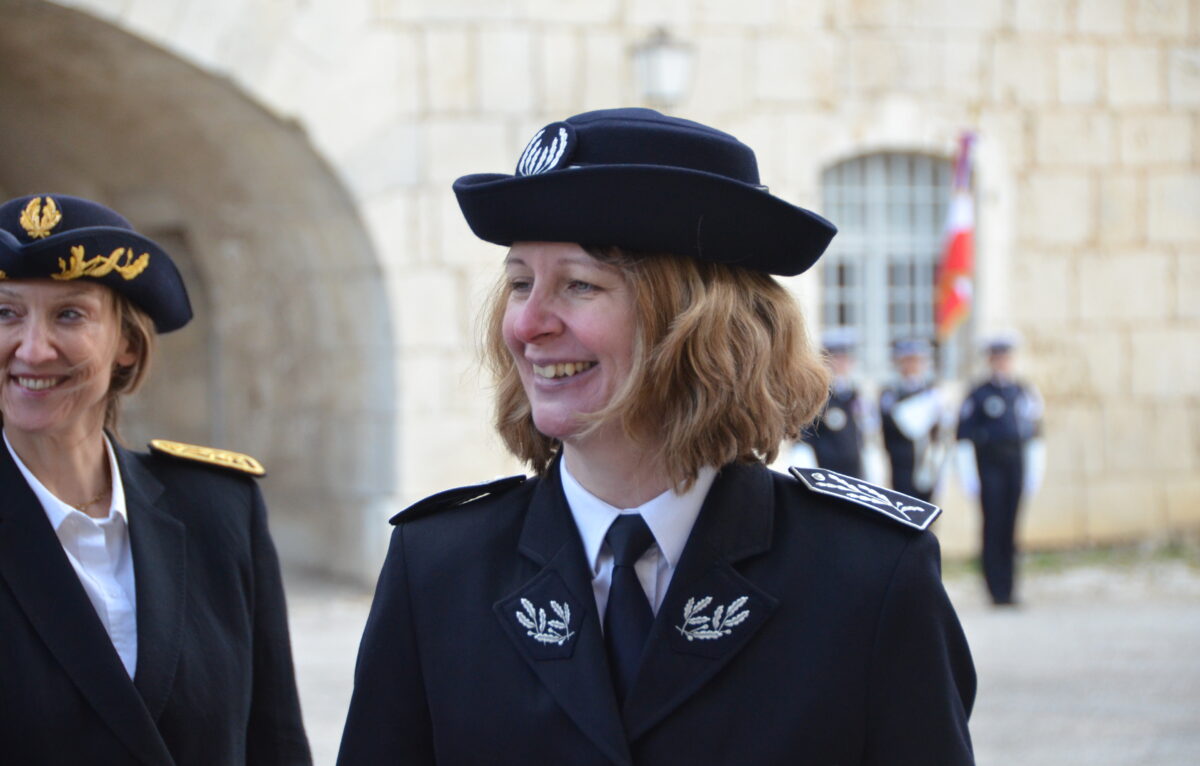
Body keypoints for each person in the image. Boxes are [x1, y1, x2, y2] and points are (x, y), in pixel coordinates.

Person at [338, 108, 975, 765]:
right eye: (520, 283)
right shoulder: (438, 570)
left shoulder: (865, 576)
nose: (526, 324)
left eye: (579, 285)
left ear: (701, 323)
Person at [0, 193, 311, 765]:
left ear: (126, 343)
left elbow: (276, 742)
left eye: (69, 314)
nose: (33, 348)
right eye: (5, 313)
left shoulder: (220, 509)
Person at [955, 332, 1044, 606]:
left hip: (1015, 462)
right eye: (997, 357)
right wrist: (968, 476)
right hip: (990, 464)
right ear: (990, 360)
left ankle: (1010, 587)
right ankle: (995, 589)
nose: (1002, 362)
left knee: (1011, 527)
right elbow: (964, 438)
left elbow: (1035, 433)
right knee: (992, 526)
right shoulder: (979, 393)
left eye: (1006, 357)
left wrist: (1035, 470)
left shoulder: (1023, 391)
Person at [791, 328, 869, 478]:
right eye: (837, 358)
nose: (843, 364)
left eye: (846, 359)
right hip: (827, 472)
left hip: (854, 471)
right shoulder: (817, 394)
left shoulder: (854, 394)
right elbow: (805, 437)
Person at [879, 338, 945, 501]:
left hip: (927, 461)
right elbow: (904, 426)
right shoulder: (891, 393)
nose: (913, 366)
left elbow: (941, 429)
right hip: (902, 461)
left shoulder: (931, 390)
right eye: (908, 361)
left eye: (917, 361)